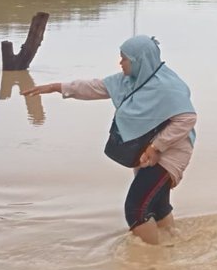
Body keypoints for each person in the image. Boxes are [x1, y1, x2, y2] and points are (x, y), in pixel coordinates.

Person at [22, 35, 197, 245]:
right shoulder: (128, 81)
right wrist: (54, 87)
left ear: (139, 61)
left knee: (136, 210)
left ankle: (152, 257)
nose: (120, 62)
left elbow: (187, 118)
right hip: (146, 149)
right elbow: (93, 87)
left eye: (125, 59)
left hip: (170, 152)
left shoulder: (168, 87)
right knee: (157, 206)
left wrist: (156, 146)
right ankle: (171, 248)